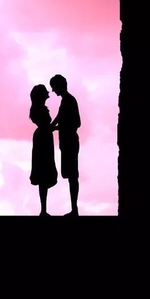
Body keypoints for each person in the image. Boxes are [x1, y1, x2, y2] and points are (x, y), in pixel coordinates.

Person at [49, 75, 81, 217]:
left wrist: (57, 127)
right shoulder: (65, 101)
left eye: (54, 87)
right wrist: (52, 127)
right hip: (66, 143)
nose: (53, 91)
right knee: (70, 176)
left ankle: (75, 210)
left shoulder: (69, 100)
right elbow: (59, 118)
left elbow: (77, 122)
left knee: (73, 176)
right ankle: (74, 209)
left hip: (70, 143)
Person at [29, 84, 58, 216]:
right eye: (46, 92)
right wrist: (57, 126)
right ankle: (43, 210)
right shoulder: (40, 110)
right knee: (43, 173)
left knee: (43, 174)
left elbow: (47, 126)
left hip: (43, 138)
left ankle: (43, 210)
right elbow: (47, 127)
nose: (48, 93)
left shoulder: (38, 109)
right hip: (43, 139)